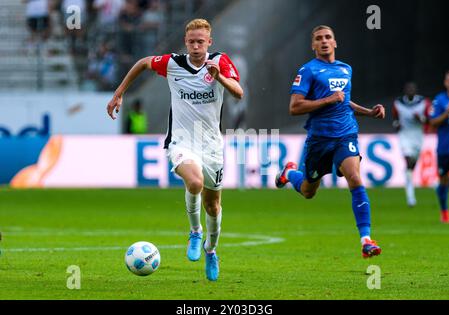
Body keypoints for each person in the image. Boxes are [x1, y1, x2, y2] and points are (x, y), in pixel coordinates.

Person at [106, 18, 243, 281]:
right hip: (181, 141)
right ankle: (194, 231)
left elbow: (238, 93)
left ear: (209, 42)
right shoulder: (173, 64)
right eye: (191, 41)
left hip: (211, 145)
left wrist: (220, 77)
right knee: (194, 182)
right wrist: (120, 92)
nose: (195, 46)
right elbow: (143, 62)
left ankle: (211, 251)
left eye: (200, 42)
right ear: (185, 41)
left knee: (213, 206)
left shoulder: (220, 62)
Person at [275, 25, 385, 259]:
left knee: (355, 178)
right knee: (308, 191)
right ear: (313, 45)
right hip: (319, 140)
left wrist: (369, 112)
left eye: (328, 37)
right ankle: (289, 174)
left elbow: (344, 102)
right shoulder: (308, 71)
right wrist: (328, 99)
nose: (324, 41)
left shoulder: (346, 69)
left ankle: (366, 240)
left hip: (345, 135)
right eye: (318, 38)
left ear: (335, 42)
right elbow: (295, 107)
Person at [392, 82, 431, 207]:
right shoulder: (398, 103)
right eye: (408, 89)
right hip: (405, 135)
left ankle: (409, 181)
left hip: (418, 136)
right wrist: (396, 125)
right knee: (408, 161)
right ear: (405, 91)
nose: (410, 91)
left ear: (415, 91)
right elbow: (395, 121)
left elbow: (429, 120)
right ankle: (410, 197)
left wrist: (420, 119)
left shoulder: (423, 102)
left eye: (412, 89)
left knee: (412, 166)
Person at [429, 71, 449, 224]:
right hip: (444, 147)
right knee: (443, 181)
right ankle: (444, 211)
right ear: (445, 82)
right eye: (448, 80)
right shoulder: (440, 100)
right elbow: (433, 122)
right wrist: (446, 113)